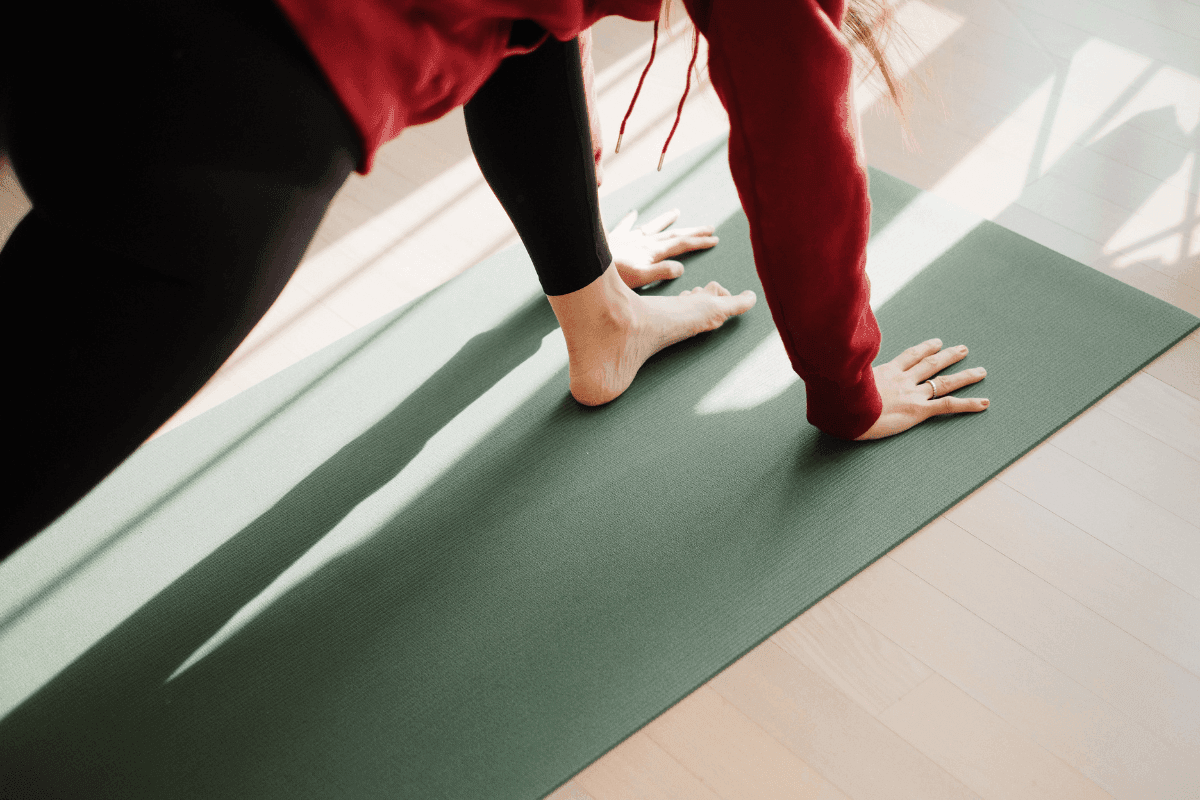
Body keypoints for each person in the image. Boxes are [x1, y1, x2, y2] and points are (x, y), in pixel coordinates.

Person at [0, 0, 986, 558]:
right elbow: (797, 138)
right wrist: (847, 386)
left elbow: (533, 30)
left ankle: (599, 315)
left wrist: (584, 256)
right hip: (219, 107)